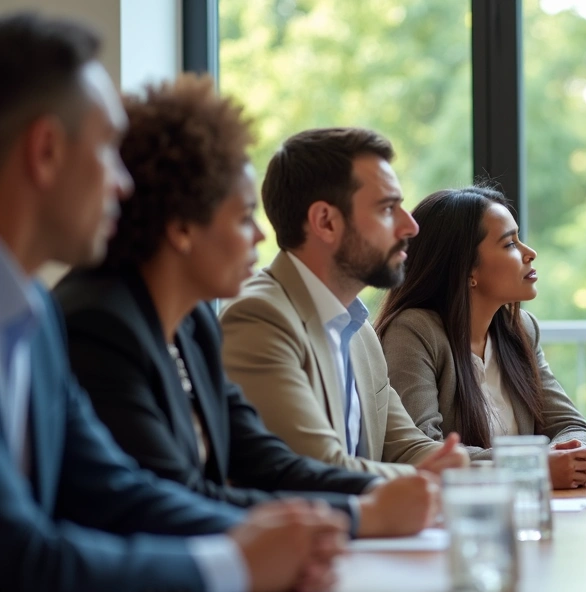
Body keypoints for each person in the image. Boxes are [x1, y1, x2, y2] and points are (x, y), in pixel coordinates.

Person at [0, 13, 347, 592]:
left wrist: (289, 538)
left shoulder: (36, 320)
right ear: (47, 151)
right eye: (108, 149)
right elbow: (21, 561)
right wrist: (234, 564)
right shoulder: (80, 317)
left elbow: (115, 488)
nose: (125, 183)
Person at [53, 75, 439, 537]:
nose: (259, 236)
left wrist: (398, 496)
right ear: (182, 229)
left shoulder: (194, 325)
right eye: (242, 218)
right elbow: (174, 498)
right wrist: (360, 516)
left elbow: (269, 463)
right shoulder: (100, 322)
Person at [218, 127, 469, 478]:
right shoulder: (258, 318)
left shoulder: (359, 330)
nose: (410, 226)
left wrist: (521, 466)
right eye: (387, 208)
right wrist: (441, 476)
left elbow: (410, 449)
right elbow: (319, 469)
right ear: (326, 222)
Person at [375, 186, 586, 489]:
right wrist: (531, 467)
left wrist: (572, 454)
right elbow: (422, 452)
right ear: (467, 269)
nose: (529, 253)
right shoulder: (414, 332)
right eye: (509, 244)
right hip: (455, 522)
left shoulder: (519, 330)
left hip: (528, 514)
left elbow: (572, 425)